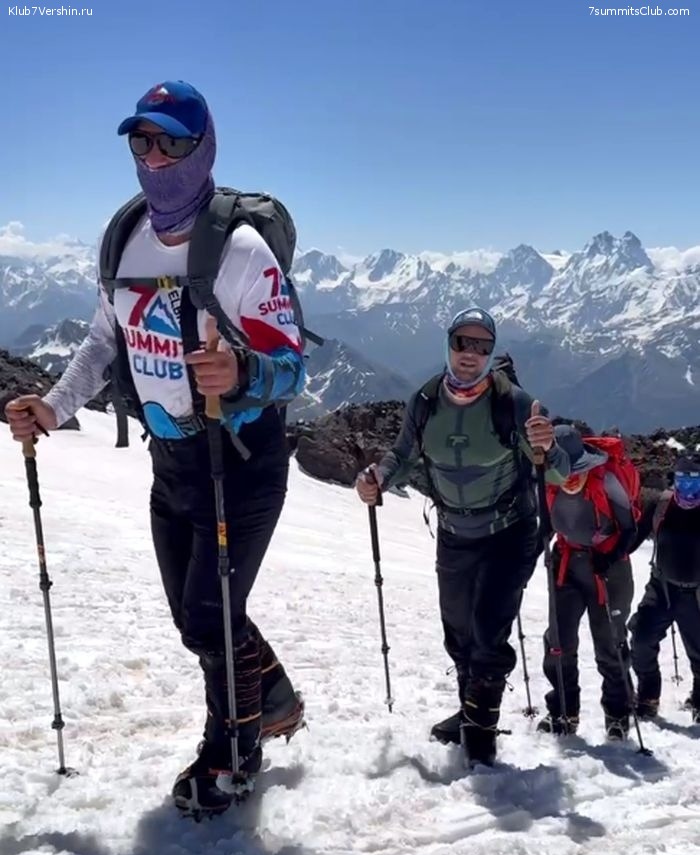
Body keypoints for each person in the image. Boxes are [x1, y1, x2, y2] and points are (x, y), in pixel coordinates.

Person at [5, 81, 306, 817]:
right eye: (142, 140)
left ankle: (232, 756)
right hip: (171, 461)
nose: (156, 156)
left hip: (239, 460)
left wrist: (242, 372)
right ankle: (272, 696)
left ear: (204, 147)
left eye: (172, 140)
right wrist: (53, 407)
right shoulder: (124, 236)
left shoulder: (239, 249)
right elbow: (103, 342)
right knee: (197, 618)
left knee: (210, 615)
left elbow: (293, 363)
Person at [356, 307, 570, 767]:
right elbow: (403, 455)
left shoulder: (515, 405)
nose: (470, 353)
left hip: (509, 533)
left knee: (489, 632)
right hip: (454, 532)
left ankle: (480, 735)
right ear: (448, 344)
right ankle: (470, 711)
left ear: (491, 352)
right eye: (462, 342)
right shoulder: (425, 401)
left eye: (481, 346)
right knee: (458, 632)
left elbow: (558, 475)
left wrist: (548, 447)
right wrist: (378, 479)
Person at [536, 425, 638, 740]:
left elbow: (630, 529)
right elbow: (546, 526)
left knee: (610, 643)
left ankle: (618, 714)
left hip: (608, 571)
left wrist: (611, 557)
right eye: (565, 471)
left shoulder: (606, 481)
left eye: (577, 470)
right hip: (567, 565)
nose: (571, 477)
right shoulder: (547, 485)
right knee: (558, 642)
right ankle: (563, 712)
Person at [630, 452, 700, 724]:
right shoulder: (661, 505)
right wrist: (607, 558)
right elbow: (632, 538)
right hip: (662, 588)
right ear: (674, 480)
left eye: (695, 480)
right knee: (641, 639)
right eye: (683, 480)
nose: (688, 487)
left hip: (696, 594)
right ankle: (648, 697)